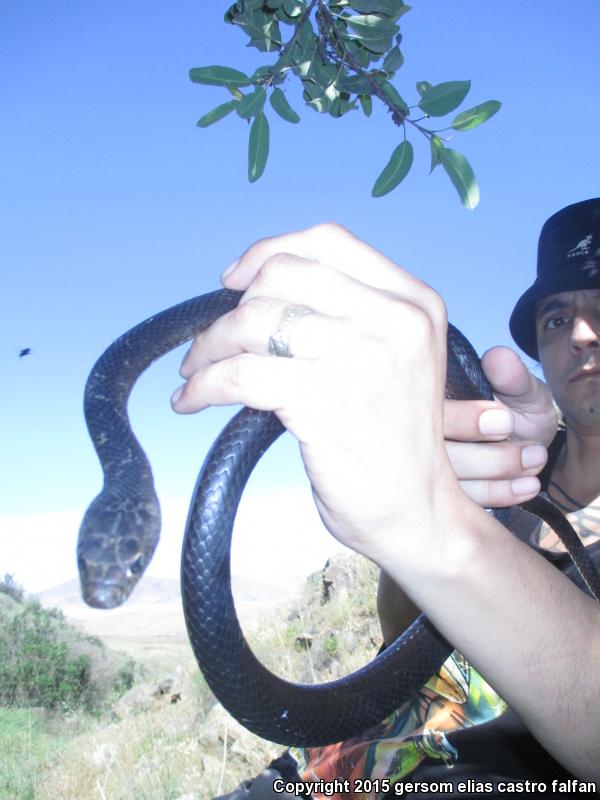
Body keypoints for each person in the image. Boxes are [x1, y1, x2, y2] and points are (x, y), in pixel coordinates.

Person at [171, 199, 600, 796]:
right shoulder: (503, 456)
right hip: (330, 772)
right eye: (557, 318)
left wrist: (451, 536)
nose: (581, 334)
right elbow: (404, 641)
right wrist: (450, 510)